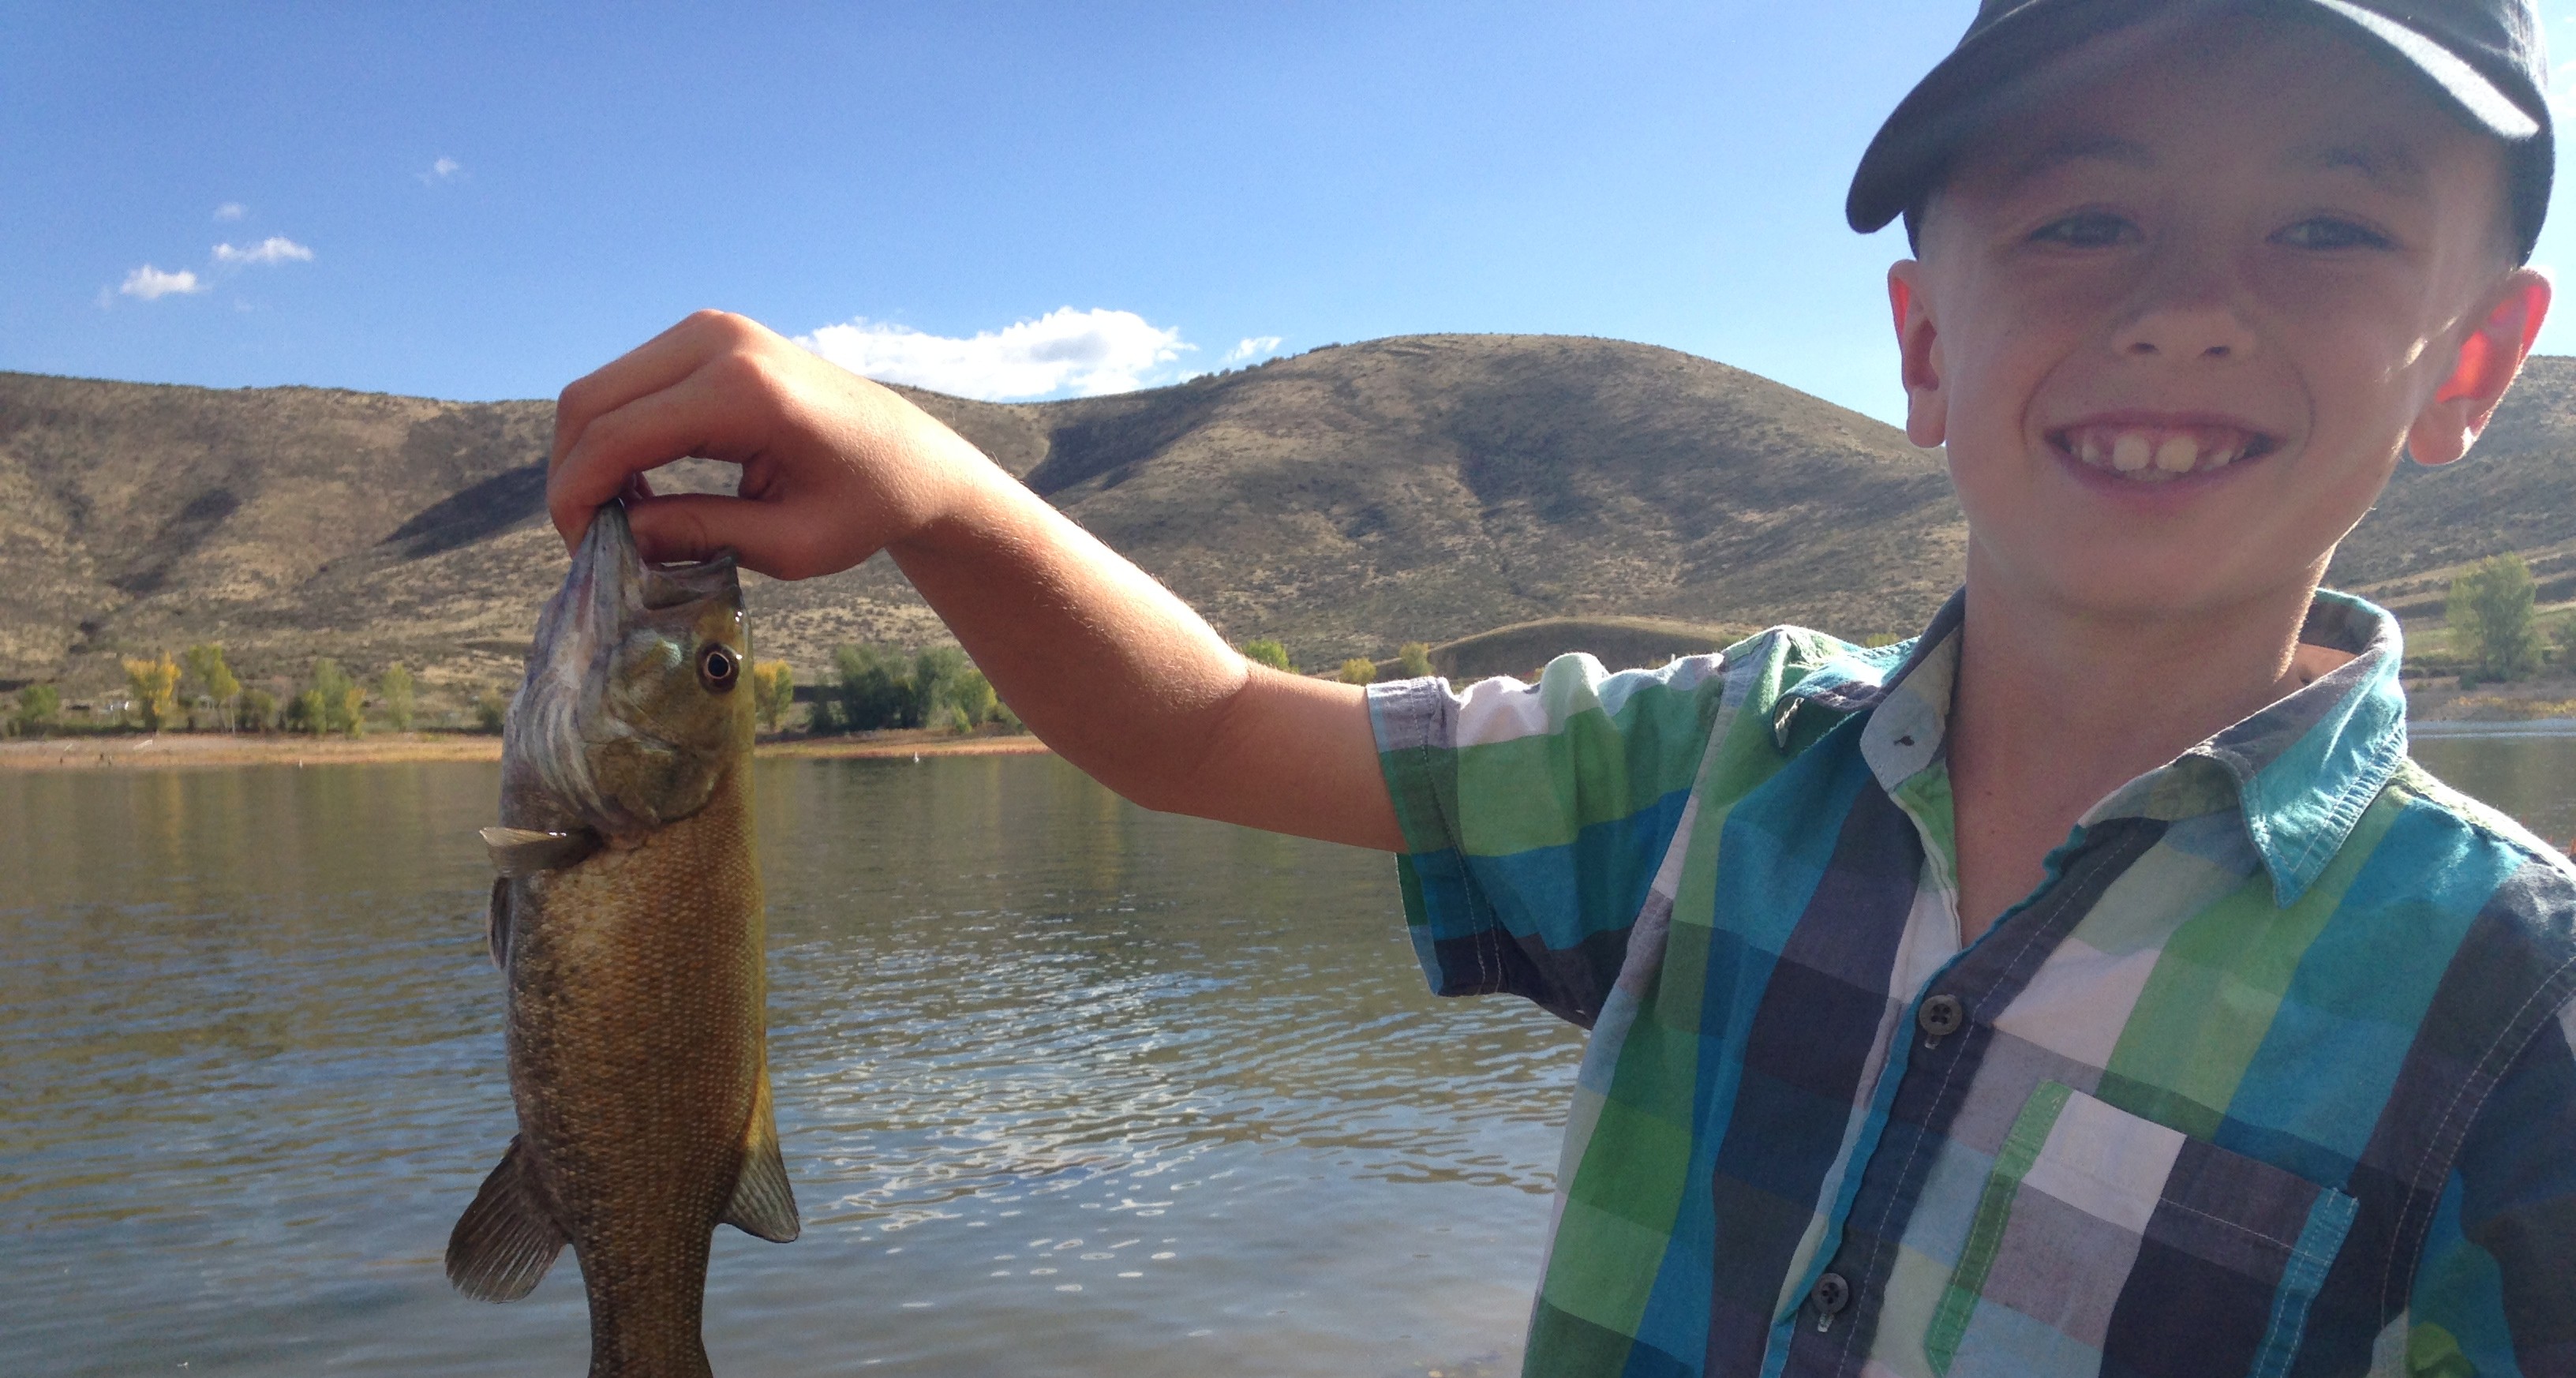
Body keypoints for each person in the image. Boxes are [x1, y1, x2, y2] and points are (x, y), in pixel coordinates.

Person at [542, 0, 2576, 1371]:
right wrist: (929, 479)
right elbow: (1204, 727)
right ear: (1922, 347)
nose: (2190, 311)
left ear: (2475, 363)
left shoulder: (2519, 1023)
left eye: (2328, 227)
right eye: (2090, 220)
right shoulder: (1711, 764)